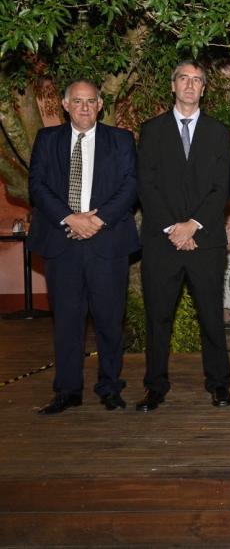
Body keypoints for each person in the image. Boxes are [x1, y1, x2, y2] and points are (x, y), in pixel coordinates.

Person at [28, 80, 139, 414]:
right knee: (66, 321)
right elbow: (38, 185)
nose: (85, 108)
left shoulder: (120, 140)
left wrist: (97, 220)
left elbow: (130, 186)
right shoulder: (47, 140)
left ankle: (110, 387)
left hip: (107, 243)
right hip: (63, 244)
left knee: (109, 321)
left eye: (91, 101)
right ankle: (67, 391)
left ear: (101, 104)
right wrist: (69, 218)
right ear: (65, 105)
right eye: (78, 102)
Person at [136, 60, 230, 411]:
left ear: (204, 89)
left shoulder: (219, 132)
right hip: (162, 242)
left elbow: (222, 187)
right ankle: (155, 387)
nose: (190, 85)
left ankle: (219, 384)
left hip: (205, 241)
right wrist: (173, 228)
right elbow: (146, 185)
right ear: (172, 85)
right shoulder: (151, 131)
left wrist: (193, 225)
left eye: (196, 80)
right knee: (158, 317)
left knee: (211, 316)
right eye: (183, 79)